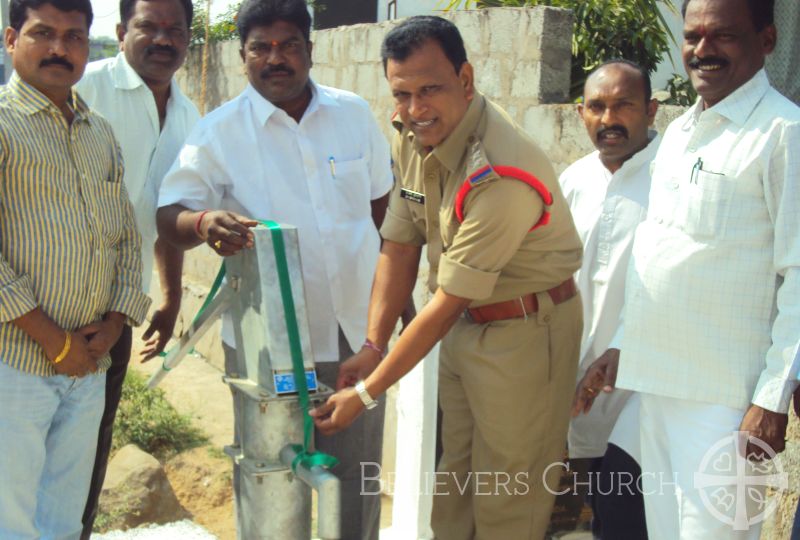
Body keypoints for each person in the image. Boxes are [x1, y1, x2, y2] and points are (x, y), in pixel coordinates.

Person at [312, 16, 584, 539]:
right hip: (465, 329)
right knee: (454, 487)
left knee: (508, 500)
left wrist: (368, 392)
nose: (415, 109)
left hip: (526, 334)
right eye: (402, 93)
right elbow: (398, 242)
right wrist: (372, 343)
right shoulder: (412, 134)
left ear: (466, 79)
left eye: (430, 89)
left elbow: (447, 301)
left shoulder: (501, 171)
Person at [156, 0, 392, 537]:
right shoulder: (218, 133)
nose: (275, 58)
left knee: (356, 480)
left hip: (355, 333)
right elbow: (169, 214)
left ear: (311, 50)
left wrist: (396, 310)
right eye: (260, 47)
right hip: (268, 349)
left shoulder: (353, 113)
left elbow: (385, 217)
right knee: (271, 482)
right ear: (242, 57)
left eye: (289, 45)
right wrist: (203, 222)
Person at [574, 0, 800, 538]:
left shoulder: (783, 133)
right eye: (693, 36)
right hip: (654, 388)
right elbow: (661, 250)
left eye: (721, 36)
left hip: (723, 403)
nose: (703, 50)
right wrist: (623, 344)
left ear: (765, 40)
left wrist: (771, 397)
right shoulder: (677, 134)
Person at [0, 0, 151, 537]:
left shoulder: (99, 133)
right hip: (15, 364)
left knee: (62, 518)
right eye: (44, 33)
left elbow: (127, 240)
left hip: (87, 363)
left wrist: (113, 325)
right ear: (11, 38)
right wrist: (51, 340)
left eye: (74, 36)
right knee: (10, 519)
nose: (60, 48)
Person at [74, 0, 199, 535]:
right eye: (150, 27)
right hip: (47, 307)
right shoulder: (84, 91)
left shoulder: (190, 117)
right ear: (122, 30)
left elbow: (168, 211)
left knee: (90, 450)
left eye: (176, 30)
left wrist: (168, 296)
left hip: (118, 315)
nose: (163, 40)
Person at [563, 59, 658, 539]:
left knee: (629, 521)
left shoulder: (674, 179)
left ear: (651, 110)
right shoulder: (574, 181)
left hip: (644, 392)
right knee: (588, 520)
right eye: (597, 107)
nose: (609, 119)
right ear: (581, 113)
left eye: (624, 105)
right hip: (575, 391)